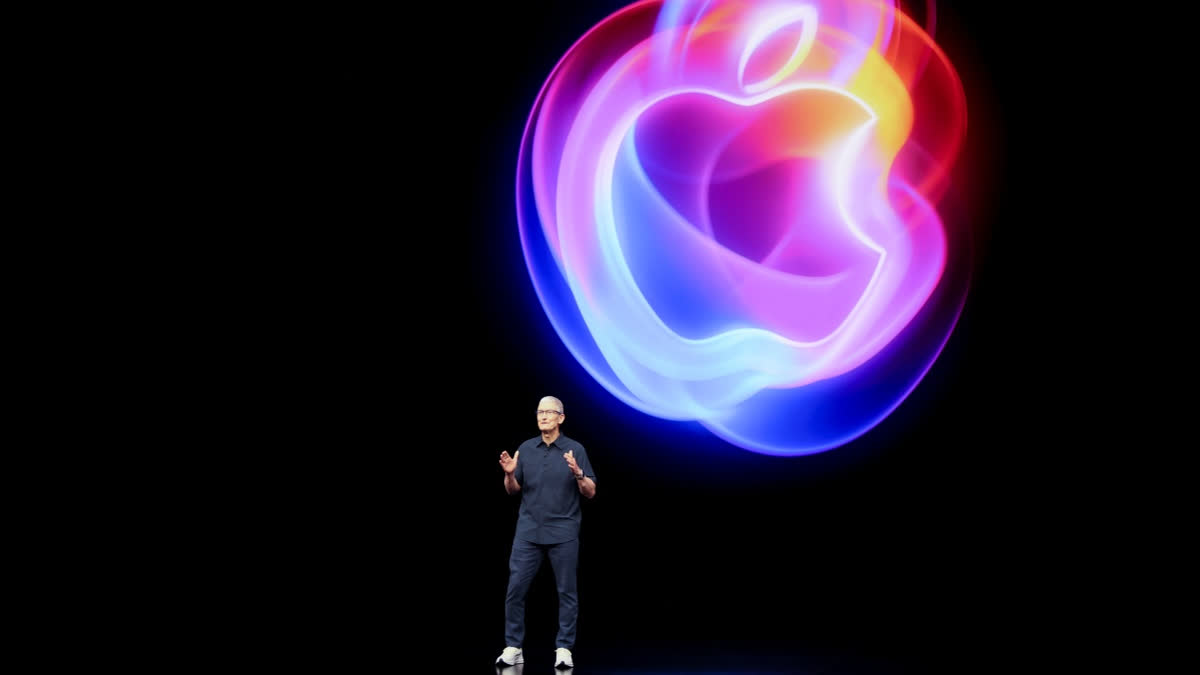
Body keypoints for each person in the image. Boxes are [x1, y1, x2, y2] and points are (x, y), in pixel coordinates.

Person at [495, 396, 597, 669]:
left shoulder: (575, 449)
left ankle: (564, 648)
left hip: (563, 532)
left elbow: (590, 491)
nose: (543, 416)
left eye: (549, 412)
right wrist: (509, 475)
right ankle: (514, 646)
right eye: (539, 412)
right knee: (515, 590)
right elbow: (513, 491)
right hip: (528, 532)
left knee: (567, 593)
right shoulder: (526, 449)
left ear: (561, 418)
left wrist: (577, 472)